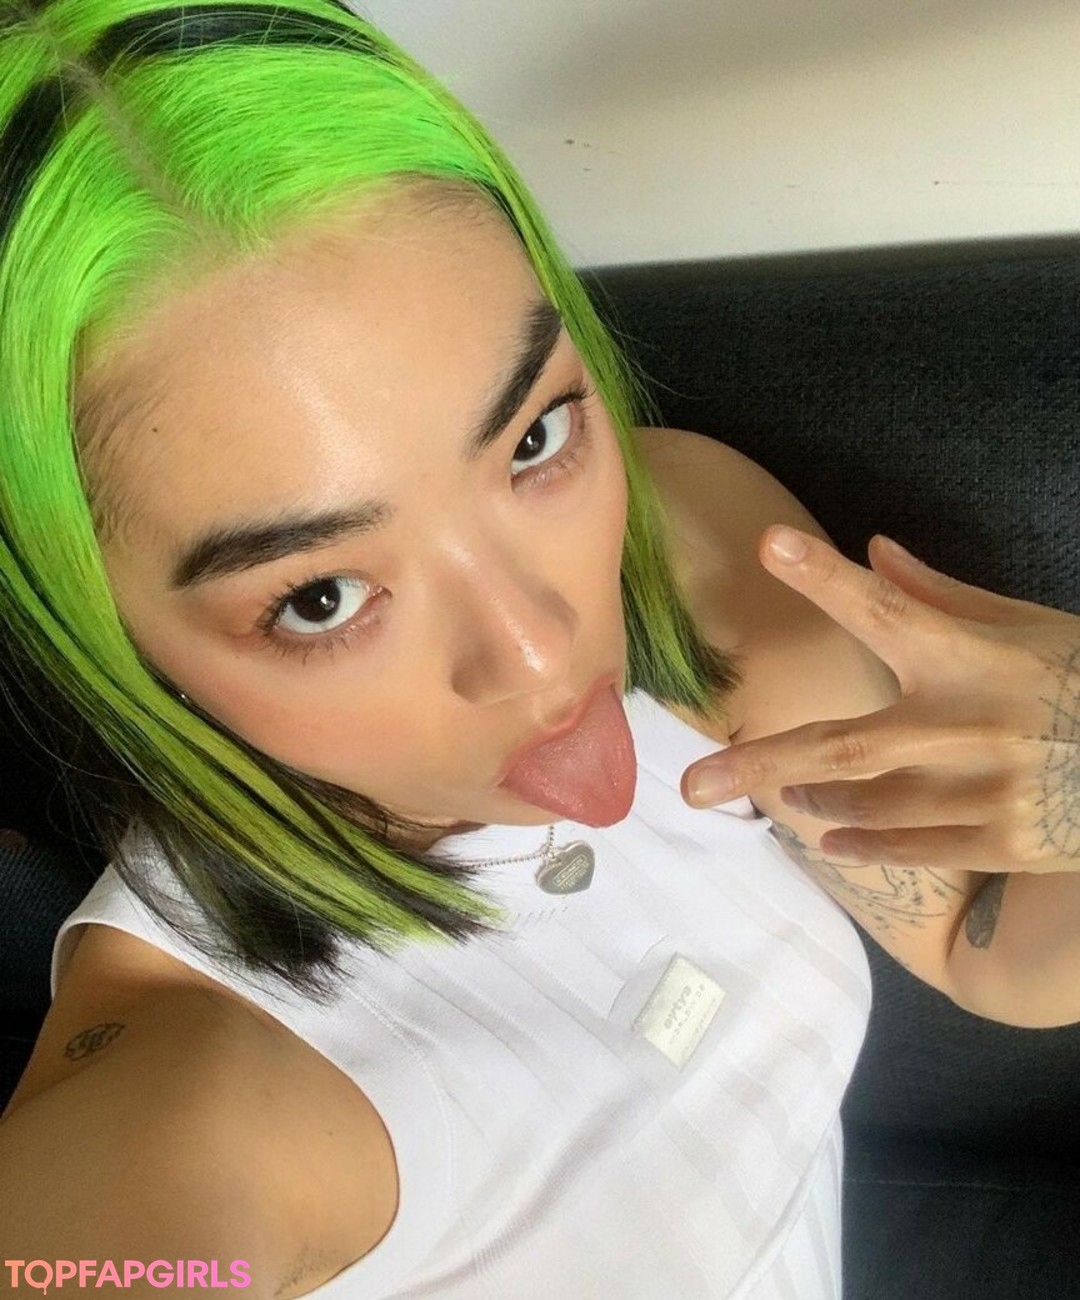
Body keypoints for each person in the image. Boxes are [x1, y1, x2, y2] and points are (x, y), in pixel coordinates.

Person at [0, 0, 1077, 1295]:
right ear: (104, 635)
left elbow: (981, 948)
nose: (539, 651)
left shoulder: (694, 543)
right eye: (321, 597)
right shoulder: (204, 1097)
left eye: (533, 440)